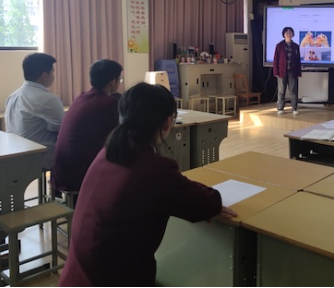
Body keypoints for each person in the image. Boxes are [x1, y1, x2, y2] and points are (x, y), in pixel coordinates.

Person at [58, 82, 237, 287]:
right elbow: (207, 204)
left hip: (79, 275)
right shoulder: (153, 168)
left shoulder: (108, 152)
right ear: (167, 123)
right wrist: (208, 201)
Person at [52, 59, 124, 203]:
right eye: (119, 80)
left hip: (61, 170)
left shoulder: (81, 97)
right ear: (112, 82)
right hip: (78, 174)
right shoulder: (108, 104)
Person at [5, 53, 64, 171]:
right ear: (44, 75)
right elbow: (63, 130)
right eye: (52, 72)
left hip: (16, 154)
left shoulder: (13, 96)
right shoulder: (49, 99)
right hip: (40, 156)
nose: (53, 76)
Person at [273, 26, 302, 116]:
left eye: (290, 33)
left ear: (292, 34)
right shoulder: (279, 46)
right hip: (282, 72)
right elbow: (276, 60)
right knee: (281, 91)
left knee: (293, 90)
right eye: (287, 33)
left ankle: (294, 108)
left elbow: (298, 61)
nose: (288, 34)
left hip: (292, 72)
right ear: (284, 35)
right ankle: (280, 108)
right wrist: (276, 72)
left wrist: (299, 72)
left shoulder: (296, 46)